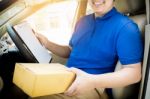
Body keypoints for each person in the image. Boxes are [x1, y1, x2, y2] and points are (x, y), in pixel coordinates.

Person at [31, 0, 143, 99]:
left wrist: (92, 81)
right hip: (66, 78)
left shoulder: (126, 27)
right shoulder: (82, 21)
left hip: (94, 88)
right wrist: (47, 43)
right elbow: (70, 51)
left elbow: (134, 73)